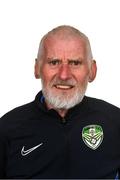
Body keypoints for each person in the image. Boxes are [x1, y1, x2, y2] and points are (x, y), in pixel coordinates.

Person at [0, 25, 120, 179]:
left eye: (75, 63)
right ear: (37, 68)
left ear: (92, 70)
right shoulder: (7, 128)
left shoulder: (115, 122)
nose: (64, 75)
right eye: (54, 62)